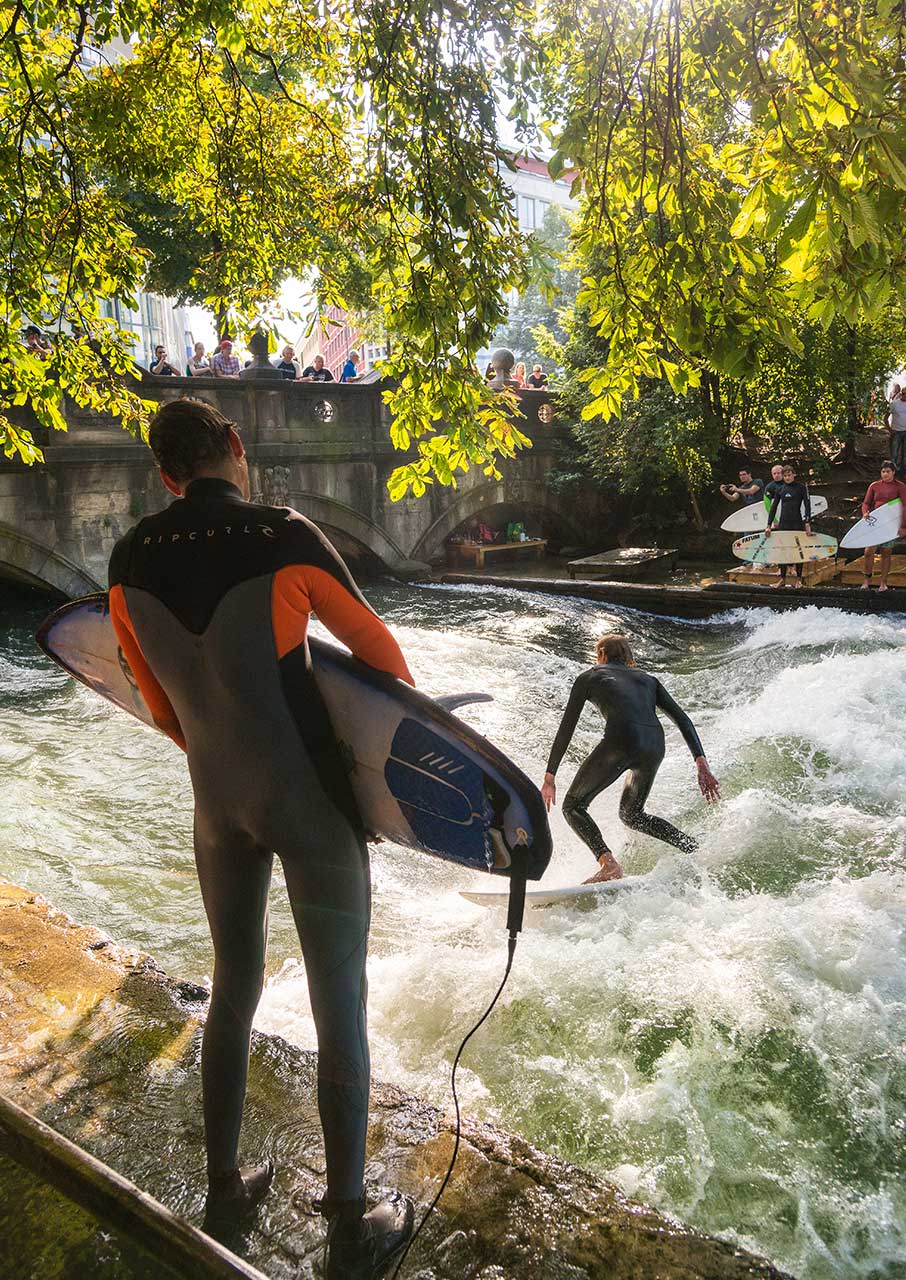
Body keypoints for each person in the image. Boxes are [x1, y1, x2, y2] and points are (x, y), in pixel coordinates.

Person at [107, 397, 415, 1276]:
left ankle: (223, 1186)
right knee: (338, 1002)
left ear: (164, 475)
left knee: (232, 986)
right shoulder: (285, 534)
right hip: (309, 807)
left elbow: (160, 707)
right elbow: (381, 656)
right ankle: (351, 1225)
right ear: (234, 448)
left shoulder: (129, 561)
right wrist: (387, 784)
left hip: (217, 810)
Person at [542, 634, 719, 882]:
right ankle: (692, 847)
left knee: (573, 806)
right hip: (655, 746)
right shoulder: (649, 680)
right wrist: (701, 762)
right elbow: (682, 719)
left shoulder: (591, 676)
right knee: (632, 815)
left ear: (601, 653)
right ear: (628, 656)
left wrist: (550, 775)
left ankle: (609, 864)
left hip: (621, 740)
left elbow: (567, 726)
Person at [859, 460, 906, 592]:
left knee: (886, 552)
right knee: (868, 552)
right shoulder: (874, 486)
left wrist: (903, 527)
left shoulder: (900, 487)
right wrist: (865, 513)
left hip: (891, 525)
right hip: (876, 523)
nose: (885, 474)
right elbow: (866, 503)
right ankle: (867, 580)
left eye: (888, 471)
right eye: (883, 471)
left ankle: (883, 583)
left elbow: (905, 506)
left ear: (893, 472)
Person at [766, 462, 811, 588]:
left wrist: (807, 522)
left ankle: (798, 579)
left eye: (789, 475)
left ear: (794, 475)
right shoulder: (780, 489)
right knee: (783, 550)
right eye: (785, 476)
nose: (787, 478)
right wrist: (768, 525)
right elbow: (773, 508)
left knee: (798, 550)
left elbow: (807, 505)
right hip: (784, 523)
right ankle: (782, 579)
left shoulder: (801, 488)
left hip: (797, 523)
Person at [884, 387, 906, 476]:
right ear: (901, 394)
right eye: (904, 394)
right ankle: (893, 472)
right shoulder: (894, 404)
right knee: (894, 454)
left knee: (905, 454)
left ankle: (903, 471)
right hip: (896, 432)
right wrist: (889, 429)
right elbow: (885, 418)